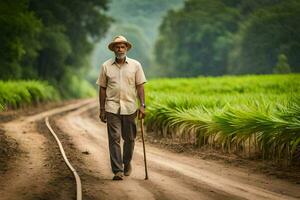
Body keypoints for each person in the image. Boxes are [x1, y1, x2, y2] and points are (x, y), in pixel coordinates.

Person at [96, 35, 147, 180]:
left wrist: (142, 105)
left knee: (130, 139)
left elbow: (140, 86)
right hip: (112, 108)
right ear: (113, 49)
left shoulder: (136, 65)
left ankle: (127, 162)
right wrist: (102, 109)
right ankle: (117, 170)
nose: (120, 49)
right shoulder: (106, 66)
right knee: (114, 138)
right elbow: (102, 88)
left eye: (122, 46)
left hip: (130, 107)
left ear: (126, 49)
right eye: (117, 46)